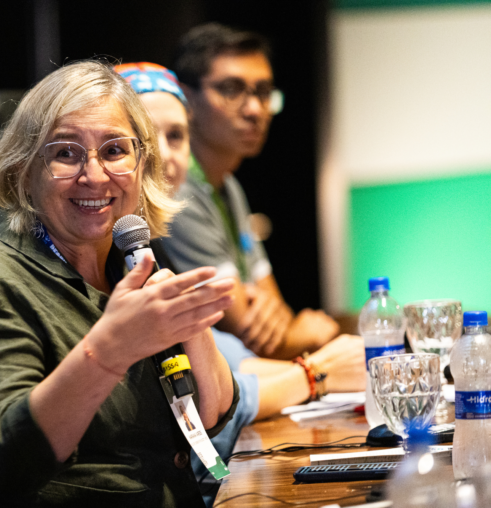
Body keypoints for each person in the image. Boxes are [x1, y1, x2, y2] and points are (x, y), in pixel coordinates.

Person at [0, 60, 238, 508]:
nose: (94, 175)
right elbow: (2, 465)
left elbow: (210, 416)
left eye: (114, 150)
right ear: (24, 170)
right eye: (66, 153)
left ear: (142, 163)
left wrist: (193, 328)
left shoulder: (128, 260)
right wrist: (109, 351)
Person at [116, 62, 365, 504]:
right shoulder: (123, 255)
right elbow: (233, 365)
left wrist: (314, 363)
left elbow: (237, 354)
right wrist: (316, 372)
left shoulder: (199, 209)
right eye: (143, 141)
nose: (165, 156)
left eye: (176, 137)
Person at [164, 23, 341, 360]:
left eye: (263, 91)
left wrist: (282, 325)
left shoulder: (229, 185)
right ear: (185, 99)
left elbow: (274, 308)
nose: (255, 110)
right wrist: (303, 334)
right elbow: (252, 333)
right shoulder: (176, 189)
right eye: (232, 90)